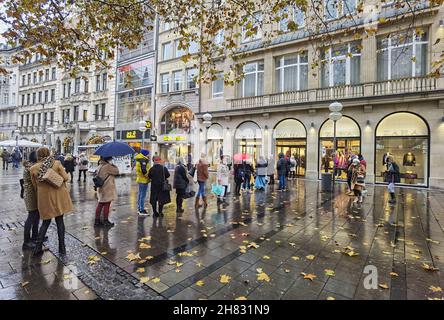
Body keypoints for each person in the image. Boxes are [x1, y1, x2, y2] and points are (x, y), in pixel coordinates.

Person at [30, 147, 73, 256]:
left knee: (45, 222)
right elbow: (66, 178)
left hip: (44, 199)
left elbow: (34, 186)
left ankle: (38, 247)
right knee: (60, 221)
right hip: (59, 196)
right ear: (48, 153)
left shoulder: (33, 168)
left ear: (37, 155)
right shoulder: (57, 163)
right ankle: (62, 248)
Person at [21, 151, 39, 250]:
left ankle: (35, 237)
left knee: (36, 216)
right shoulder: (30, 168)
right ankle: (26, 242)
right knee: (31, 217)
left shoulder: (32, 166)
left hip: (34, 195)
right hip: (31, 195)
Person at [94, 156, 119, 227]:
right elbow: (116, 172)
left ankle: (97, 221)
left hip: (101, 188)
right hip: (107, 188)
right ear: (107, 159)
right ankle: (105, 221)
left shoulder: (100, 165)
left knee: (100, 204)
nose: (111, 160)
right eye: (110, 159)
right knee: (107, 204)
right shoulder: (108, 166)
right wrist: (113, 165)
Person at [135, 149, 151, 216]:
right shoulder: (143, 160)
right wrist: (149, 176)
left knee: (140, 194)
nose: (149, 155)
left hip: (140, 179)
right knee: (142, 195)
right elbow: (144, 171)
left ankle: (139, 208)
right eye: (148, 154)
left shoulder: (140, 159)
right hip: (143, 180)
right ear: (145, 154)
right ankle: (141, 210)